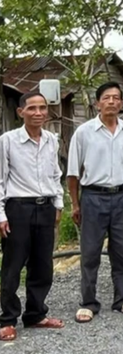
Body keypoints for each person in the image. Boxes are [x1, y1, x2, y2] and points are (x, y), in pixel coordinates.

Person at [67, 81, 123, 322]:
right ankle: (88, 302)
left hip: (121, 196)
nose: (111, 101)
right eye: (106, 97)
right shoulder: (84, 132)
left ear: (122, 103)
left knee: (121, 250)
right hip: (93, 197)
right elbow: (73, 173)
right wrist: (75, 204)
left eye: (116, 98)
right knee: (90, 252)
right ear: (97, 103)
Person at [0, 92, 65, 341]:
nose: (38, 113)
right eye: (32, 109)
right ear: (21, 112)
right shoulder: (7, 141)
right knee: (13, 265)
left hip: (45, 207)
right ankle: (7, 319)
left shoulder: (50, 139)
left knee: (43, 265)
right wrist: (1, 214)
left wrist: (58, 204)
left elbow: (54, 173)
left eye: (42, 108)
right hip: (18, 208)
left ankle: (36, 314)